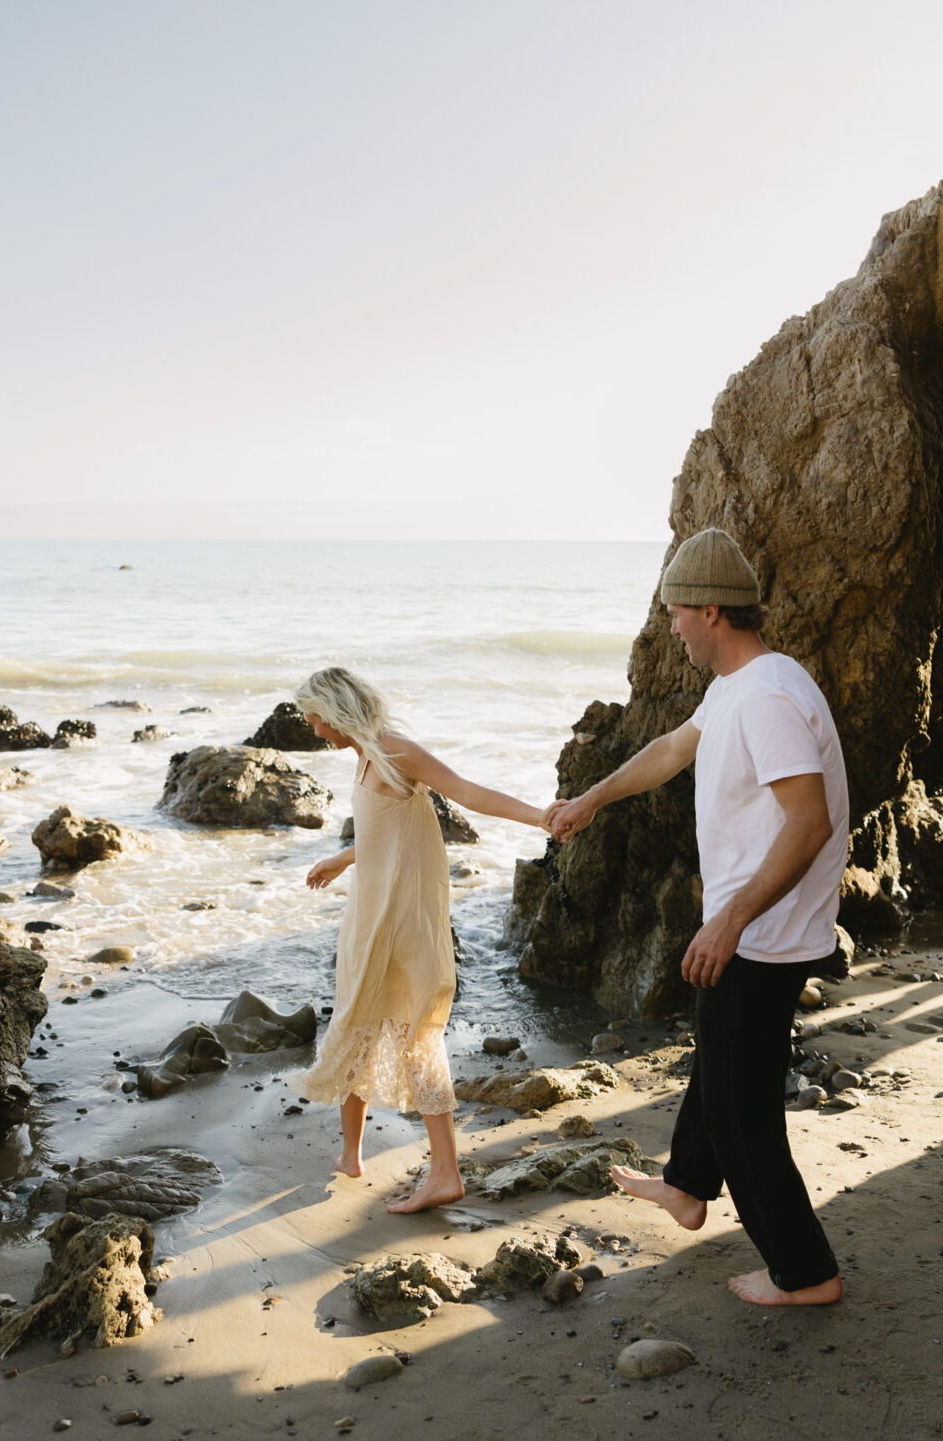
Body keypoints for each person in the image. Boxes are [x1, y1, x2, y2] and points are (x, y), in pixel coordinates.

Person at [546, 527, 847, 1306]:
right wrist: (592, 799)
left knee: (743, 1111)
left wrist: (732, 921)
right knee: (720, 1064)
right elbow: (671, 749)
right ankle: (685, 1187)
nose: (670, 625)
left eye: (677, 611)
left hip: (766, 934)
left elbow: (808, 823)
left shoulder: (770, 700)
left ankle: (805, 1273)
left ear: (712, 610)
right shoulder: (741, 686)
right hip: (758, 927)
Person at [289, 666, 547, 1213]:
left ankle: (446, 1173)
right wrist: (341, 858)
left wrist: (540, 817)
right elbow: (384, 834)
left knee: (412, 1036)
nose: (313, 730)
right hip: (370, 917)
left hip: (401, 923)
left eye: (314, 719)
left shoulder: (395, 751)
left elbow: (467, 791)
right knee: (357, 1021)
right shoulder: (364, 757)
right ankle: (351, 1155)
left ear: (335, 712)